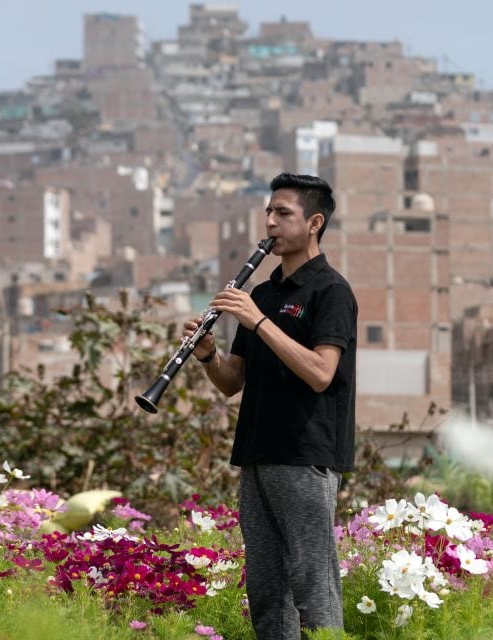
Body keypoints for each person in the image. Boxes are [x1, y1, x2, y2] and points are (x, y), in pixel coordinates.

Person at [185, 173, 357, 639]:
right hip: (257, 454)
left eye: (283, 213)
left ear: (314, 223)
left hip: (305, 456)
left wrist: (258, 322)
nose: (270, 222)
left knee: (313, 585)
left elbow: (322, 372)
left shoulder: (330, 291)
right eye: (268, 212)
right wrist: (206, 355)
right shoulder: (261, 293)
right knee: (267, 590)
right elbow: (230, 382)